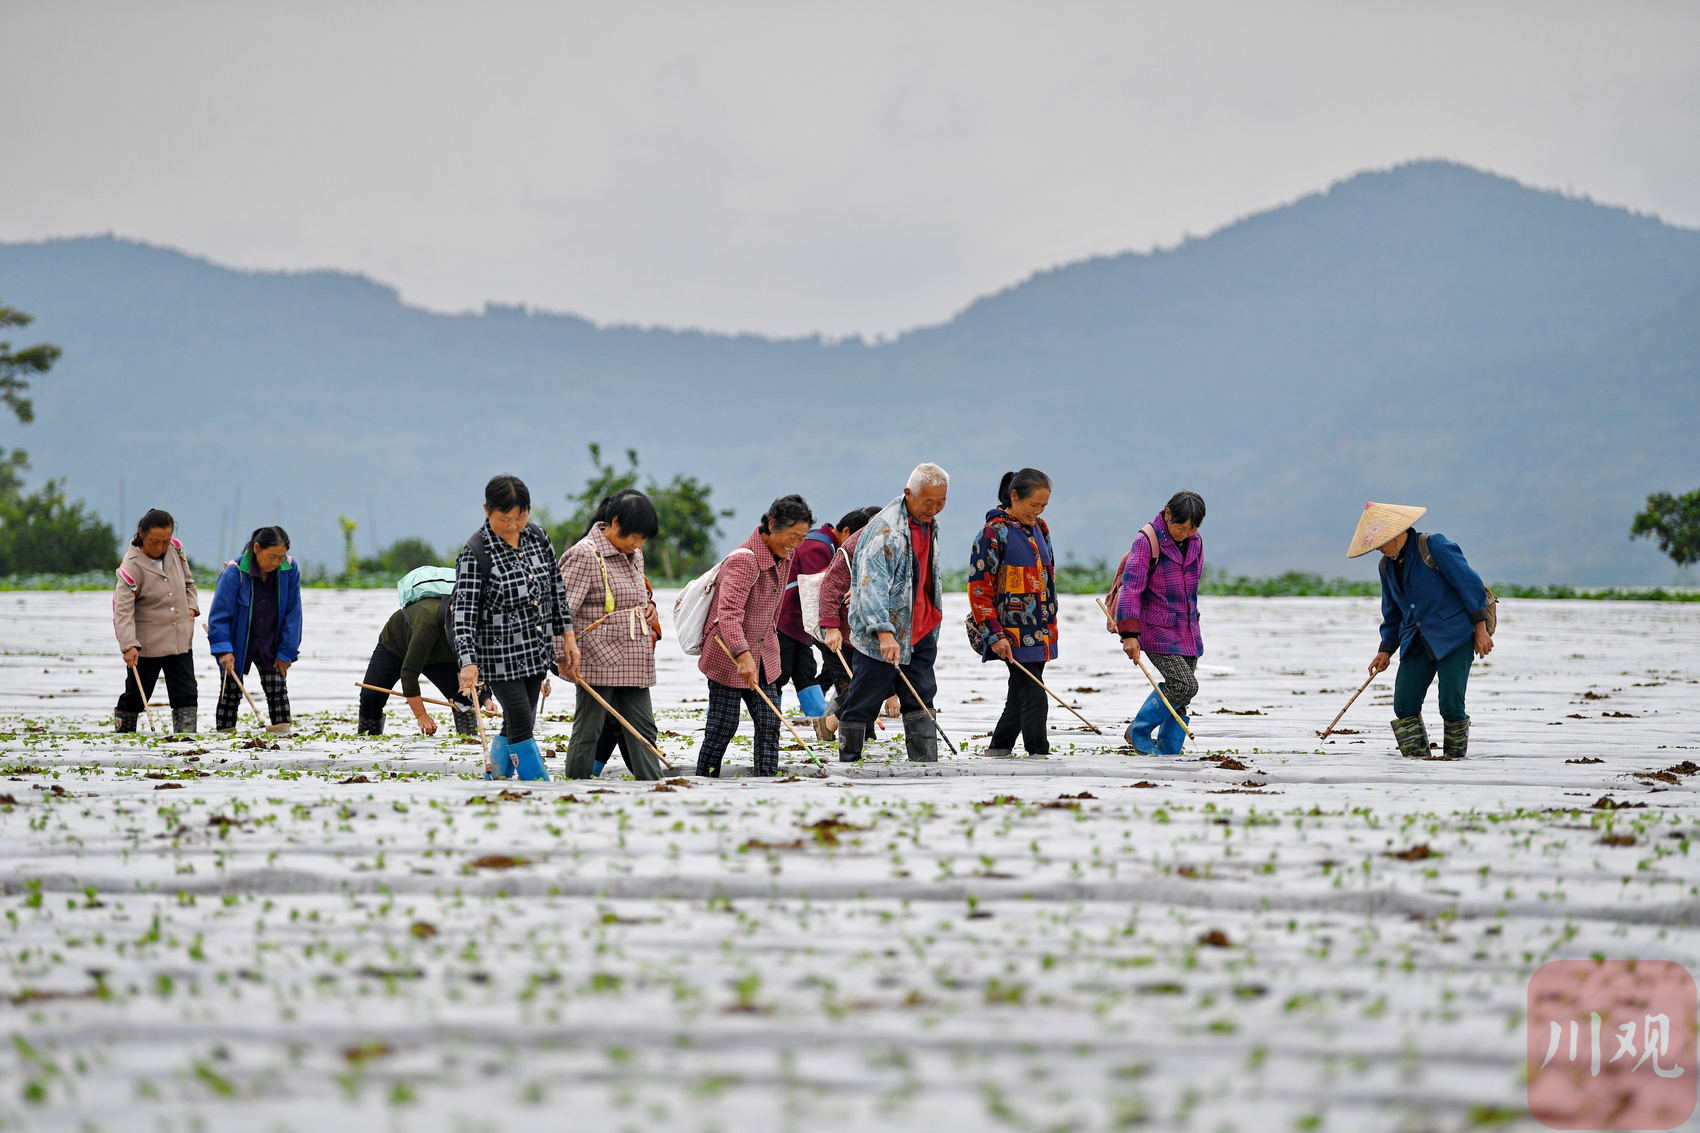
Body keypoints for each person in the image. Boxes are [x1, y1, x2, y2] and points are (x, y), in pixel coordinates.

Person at [453, 475, 578, 781]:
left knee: (519, 719)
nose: (512, 526)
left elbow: (556, 591)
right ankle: (537, 784)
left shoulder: (538, 538)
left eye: (520, 517)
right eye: (504, 519)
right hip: (498, 655)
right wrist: (468, 661)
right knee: (522, 717)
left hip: (535, 650)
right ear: (486, 510)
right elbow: (464, 613)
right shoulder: (476, 552)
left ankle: (493, 777)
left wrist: (568, 637)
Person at [1351, 501, 1493, 760]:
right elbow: (1392, 613)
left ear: (1397, 533)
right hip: (1415, 640)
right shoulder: (1386, 566)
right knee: (1404, 704)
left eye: (1381, 543)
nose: (1379, 550)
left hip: (1455, 635)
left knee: (1450, 706)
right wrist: (1385, 650)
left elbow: (1470, 586)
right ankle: (1417, 761)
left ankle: (1455, 761)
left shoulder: (1433, 546)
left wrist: (1480, 630)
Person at [693, 494, 814, 778]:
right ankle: (704, 780)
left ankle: (766, 780)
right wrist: (742, 655)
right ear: (773, 525)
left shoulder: (787, 554)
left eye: (801, 538)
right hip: (729, 655)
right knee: (723, 726)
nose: (795, 544)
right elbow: (728, 614)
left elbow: (774, 609)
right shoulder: (744, 561)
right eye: (792, 536)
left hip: (764, 655)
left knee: (770, 721)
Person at [839, 463, 950, 764]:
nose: (935, 508)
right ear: (908, 494)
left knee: (922, 695)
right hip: (884, 635)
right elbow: (869, 584)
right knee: (864, 697)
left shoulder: (931, 525)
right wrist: (884, 632)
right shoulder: (885, 529)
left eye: (941, 502)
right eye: (928, 501)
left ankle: (925, 762)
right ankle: (849, 761)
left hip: (922, 628)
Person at [559, 489, 667, 780]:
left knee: (643, 727)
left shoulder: (634, 553)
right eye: (634, 537)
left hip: (634, 656)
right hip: (597, 658)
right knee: (589, 729)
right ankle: (576, 789)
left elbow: (638, 595)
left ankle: (654, 788)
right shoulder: (585, 554)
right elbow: (560, 610)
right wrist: (561, 655)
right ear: (615, 523)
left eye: (643, 539)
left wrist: (650, 609)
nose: (638, 544)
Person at [967, 469, 1058, 758]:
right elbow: (979, 588)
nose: (1038, 511)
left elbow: (1047, 577)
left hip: (1040, 628)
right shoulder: (992, 533)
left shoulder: (1040, 529)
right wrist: (994, 633)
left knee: (1020, 692)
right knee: (1033, 691)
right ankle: (1039, 753)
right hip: (1011, 630)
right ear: (1014, 497)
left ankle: (999, 748)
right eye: (1033, 505)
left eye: (1043, 506)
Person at [1116, 491, 1206, 755]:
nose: (1185, 533)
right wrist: (1129, 635)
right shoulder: (1147, 541)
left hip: (1187, 628)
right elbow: (1131, 588)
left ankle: (1169, 750)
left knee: (1183, 693)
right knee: (1184, 685)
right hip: (1156, 628)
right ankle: (1139, 731)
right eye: (1181, 526)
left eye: (1192, 528)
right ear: (1167, 514)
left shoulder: (1196, 541)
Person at [112, 509, 200, 734]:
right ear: (141, 534)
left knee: (186, 693)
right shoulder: (130, 567)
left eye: (165, 541)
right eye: (154, 542)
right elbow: (122, 610)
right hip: (147, 646)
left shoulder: (176, 550)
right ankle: (123, 735)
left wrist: (191, 607)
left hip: (179, 639)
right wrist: (128, 645)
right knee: (136, 695)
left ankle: (187, 741)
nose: (161, 548)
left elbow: (189, 584)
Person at [207, 525, 301, 735]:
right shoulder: (235, 572)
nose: (276, 562)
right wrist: (224, 650)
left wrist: (287, 651)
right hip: (239, 641)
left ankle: (282, 734)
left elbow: (294, 612)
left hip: (270, 639)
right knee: (230, 690)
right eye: (272, 556)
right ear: (257, 548)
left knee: (277, 687)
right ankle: (225, 737)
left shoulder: (289, 569)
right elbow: (219, 616)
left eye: (281, 556)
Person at [356, 590, 482, 738]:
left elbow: (468, 668)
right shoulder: (427, 622)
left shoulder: (474, 628)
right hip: (397, 648)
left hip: (439, 657)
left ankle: (468, 738)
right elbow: (409, 673)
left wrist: (471, 691)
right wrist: (422, 715)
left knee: (464, 699)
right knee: (371, 696)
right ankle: (368, 737)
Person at [775, 509, 862, 722]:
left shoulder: (827, 544)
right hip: (786, 619)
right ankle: (769, 721)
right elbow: (821, 590)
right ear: (848, 532)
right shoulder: (819, 547)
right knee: (779, 673)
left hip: (801, 624)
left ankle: (817, 721)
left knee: (806, 670)